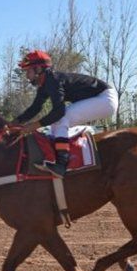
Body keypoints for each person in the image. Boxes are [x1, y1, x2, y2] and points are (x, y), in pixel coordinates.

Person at [10, 49, 118, 178]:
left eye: (28, 71)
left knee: (61, 118)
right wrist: (14, 122)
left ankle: (62, 164)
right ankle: (60, 161)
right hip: (102, 98)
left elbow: (59, 111)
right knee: (57, 122)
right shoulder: (46, 83)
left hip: (105, 99)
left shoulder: (53, 81)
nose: (27, 75)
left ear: (38, 69)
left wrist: (34, 125)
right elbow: (35, 108)